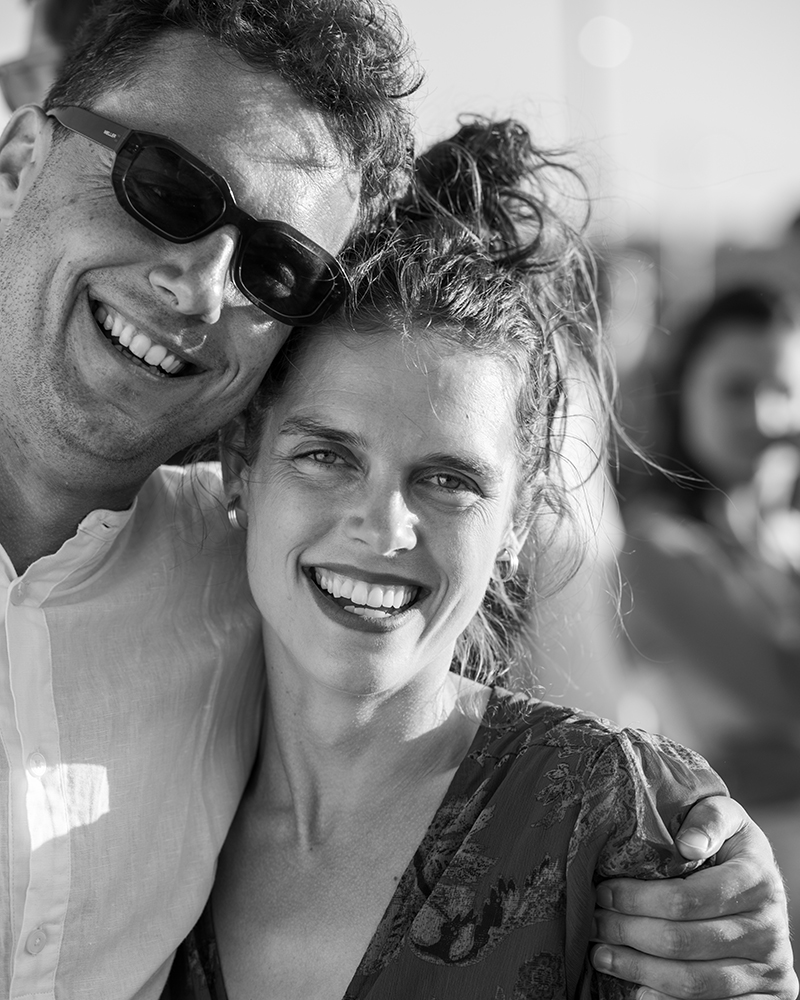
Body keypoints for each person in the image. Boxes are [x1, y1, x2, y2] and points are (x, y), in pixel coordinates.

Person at [0, 0, 793, 995]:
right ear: (19, 160)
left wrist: (723, 908)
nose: (198, 288)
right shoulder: (255, 561)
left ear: (519, 517)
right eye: (162, 188)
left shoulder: (616, 835)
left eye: (275, 267)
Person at [162, 120, 796, 1000]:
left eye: (448, 479)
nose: (383, 528)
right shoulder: (147, 797)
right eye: (327, 455)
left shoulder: (617, 825)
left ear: (517, 523)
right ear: (241, 465)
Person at [618, 284, 800, 966]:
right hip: (750, 898)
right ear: (682, 394)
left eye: (782, 389)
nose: (762, 414)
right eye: (735, 389)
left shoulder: (783, 544)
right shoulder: (656, 551)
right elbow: (781, 701)